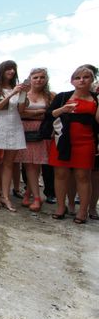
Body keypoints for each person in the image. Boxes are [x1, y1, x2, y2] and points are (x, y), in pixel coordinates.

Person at [46, 65, 99, 224]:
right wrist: (63, 109)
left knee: (83, 176)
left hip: (86, 142)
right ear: (72, 81)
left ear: (92, 80)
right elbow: (49, 115)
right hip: (62, 140)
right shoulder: (63, 96)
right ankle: (61, 207)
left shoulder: (95, 98)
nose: (81, 80)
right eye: (78, 77)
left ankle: (83, 211)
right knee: (60, 174)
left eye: (85, 77)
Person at [0, 60, 29, 211]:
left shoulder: (18, 88)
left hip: (14, 124)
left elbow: (21, 109)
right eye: (8, 69)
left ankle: (6, 196)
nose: (11, 72)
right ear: (1, 71)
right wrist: (12, 94)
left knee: (9, 163)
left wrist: (23, 93)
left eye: (13, 69)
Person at [14, 68, 55, 212]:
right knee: (29, 165)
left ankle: (34, 196)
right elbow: (19, 112)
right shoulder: (23, 94)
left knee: (36, 165)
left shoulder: (51, 95)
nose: (39, 80)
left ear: (46, 79)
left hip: (42, 132)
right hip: (25, 131)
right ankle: (33, 195)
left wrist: (31, 114)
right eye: (36, 77)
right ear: (30, 79)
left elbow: (51, 115)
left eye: (42, 77)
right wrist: (40, 112)